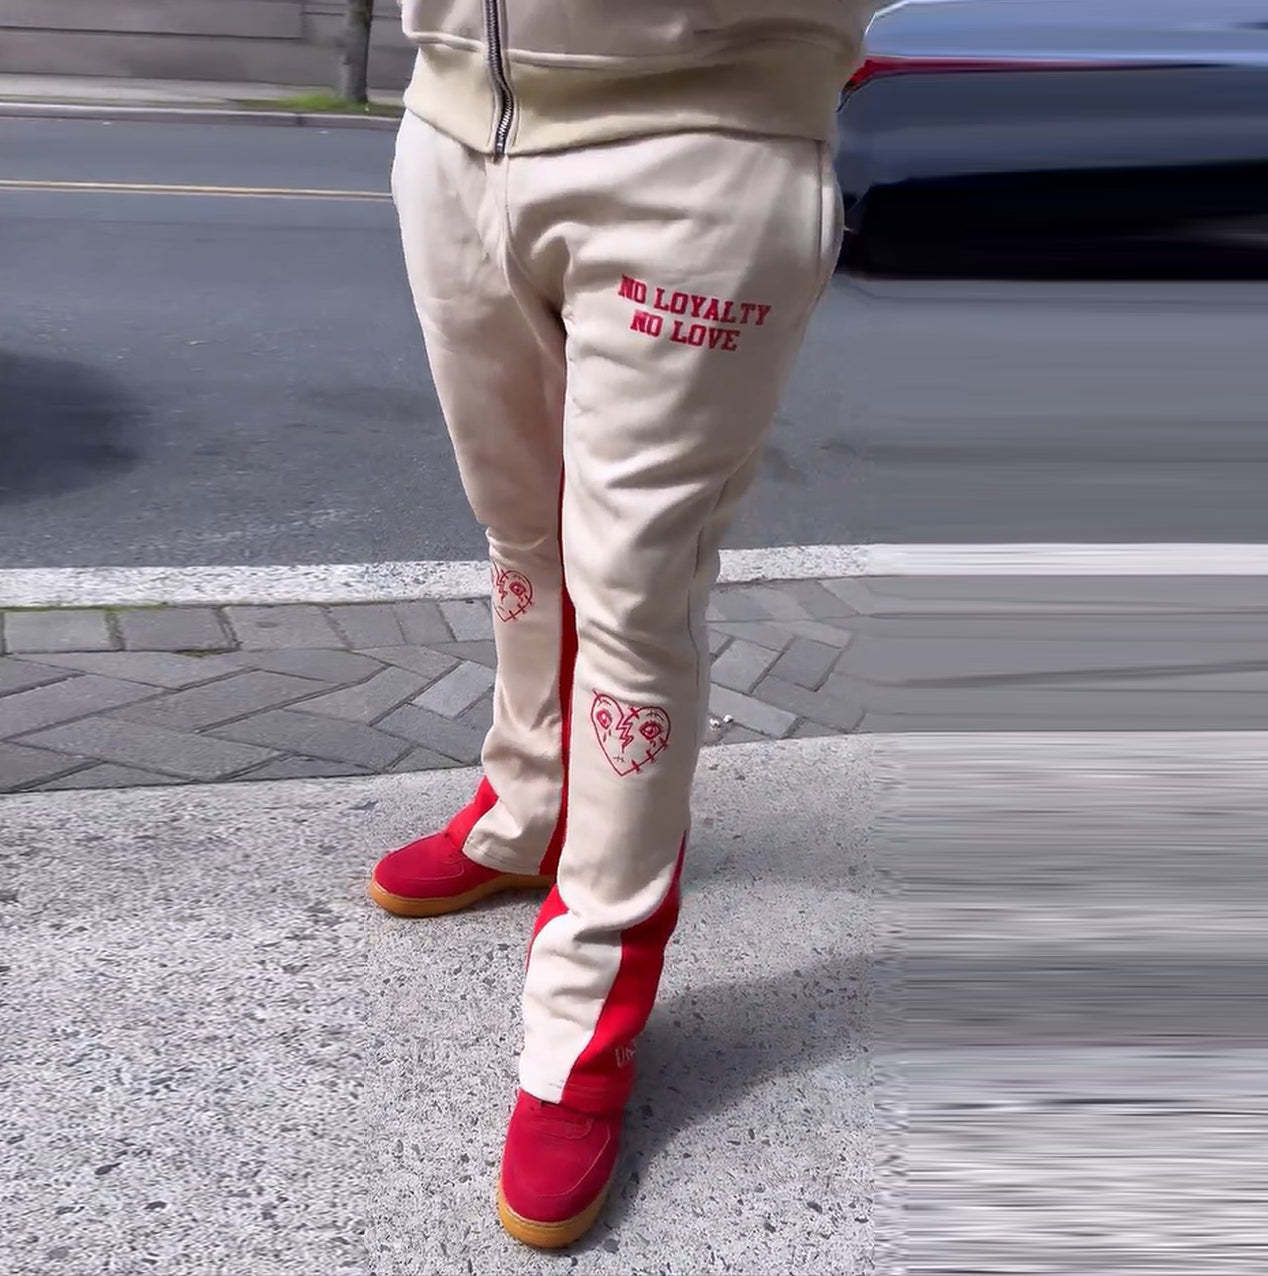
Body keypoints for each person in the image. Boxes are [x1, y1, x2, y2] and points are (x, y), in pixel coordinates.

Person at [374, 0, 877, 1249]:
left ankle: (581, 1025)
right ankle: (526, 807)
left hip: (700, 137)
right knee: (518, 531)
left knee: (636, 598)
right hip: (451, 119)